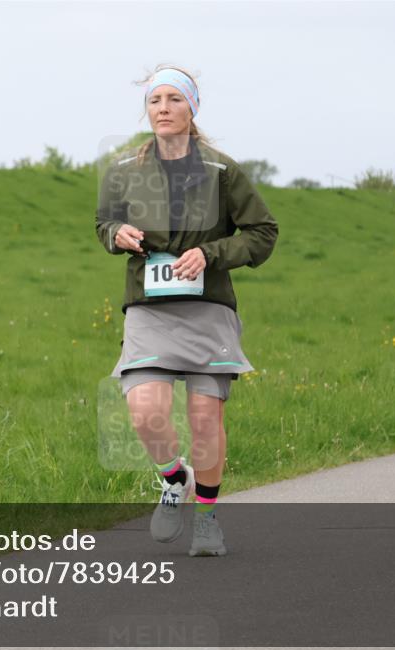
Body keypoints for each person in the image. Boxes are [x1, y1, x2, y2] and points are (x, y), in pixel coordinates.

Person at [95, 65, 278, 556]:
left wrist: (211, 254)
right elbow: (104, 222)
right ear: (147, 110)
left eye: (175, 99)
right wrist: (116, 234)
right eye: (156, 101)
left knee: (204, 419)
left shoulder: (221, 171)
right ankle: (175, 478)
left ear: (192, 108)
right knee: (144, 412)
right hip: (149, 308)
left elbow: (263, 234)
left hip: (207, 308)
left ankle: (207, 520)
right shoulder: (124, 171)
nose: (164, 109)